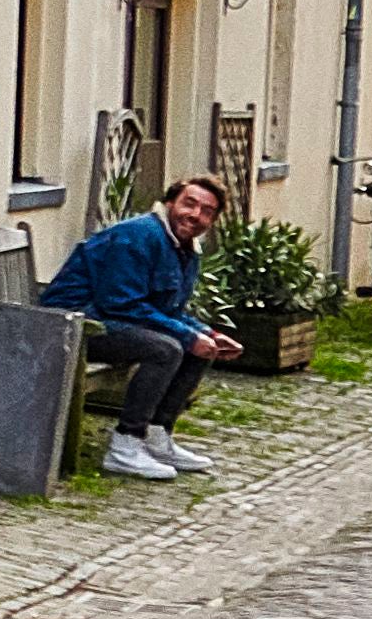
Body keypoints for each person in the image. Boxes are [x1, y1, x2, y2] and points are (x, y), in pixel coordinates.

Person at [45, 172, 232, 474]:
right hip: (72, 323)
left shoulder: (184, 248)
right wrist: (187, 335)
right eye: (189, 204)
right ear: (170, 202)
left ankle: (158, 437)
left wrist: (206, 333)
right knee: (167, 349)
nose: (195, 215)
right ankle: (125, 445)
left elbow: (166, 309)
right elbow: (120, 302)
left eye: (206, 211)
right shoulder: (137, 235)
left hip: (108, 320)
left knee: (200, 347)